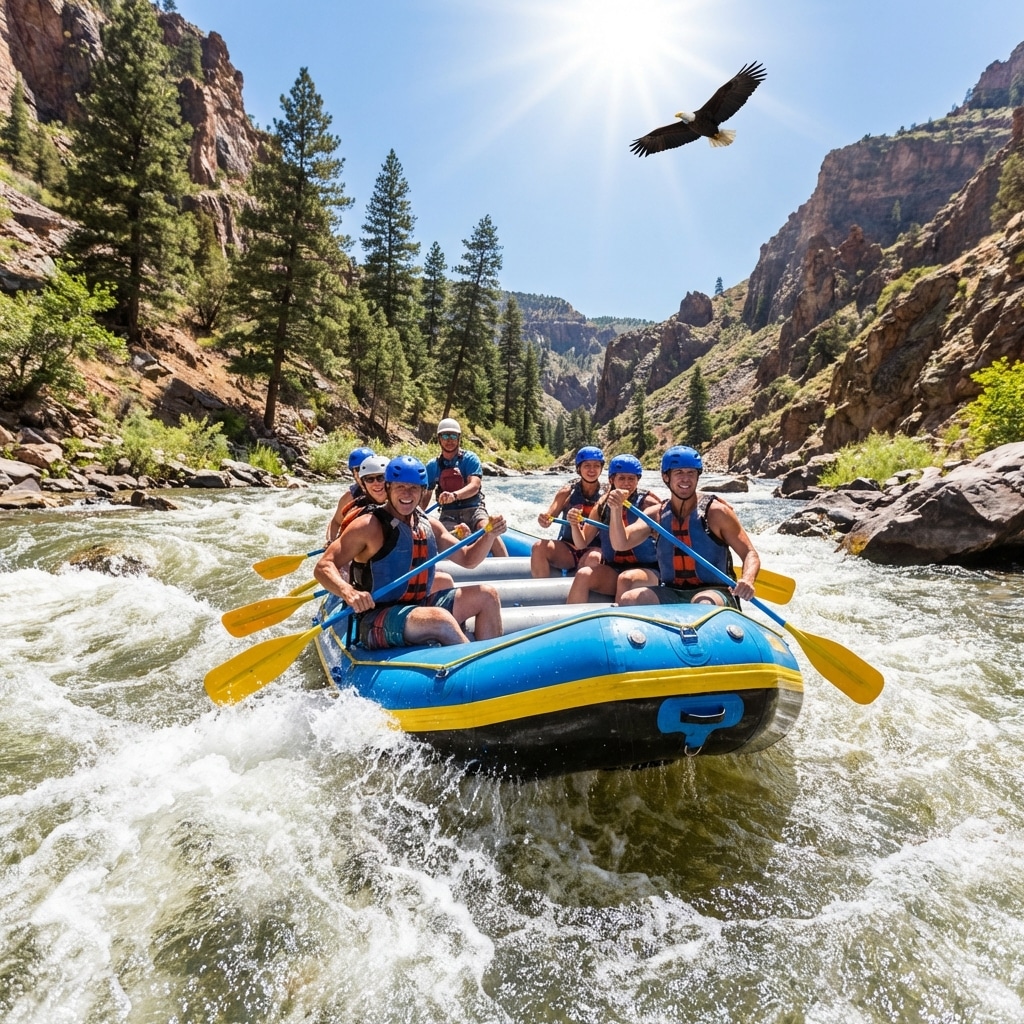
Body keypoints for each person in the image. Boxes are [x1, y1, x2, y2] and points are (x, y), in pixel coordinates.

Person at [314, 455, 507, 649]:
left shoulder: (429, 525)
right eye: (400, 487)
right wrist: (348, 592)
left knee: (487, 595)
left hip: (418, 606)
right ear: (388, 488)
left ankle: (492, 658)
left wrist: (489, 534)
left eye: (414, 488)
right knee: (440, 619)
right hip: (376, 617)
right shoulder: (368, 525)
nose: (407, 494)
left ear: (423, 491)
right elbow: (323, 566)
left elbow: (469, 559)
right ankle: (475, 663)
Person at [608, 445, 759, 607]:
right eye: (679, 473)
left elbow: (749, 553)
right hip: (672, 591)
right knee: (629, 599)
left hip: (715, 592)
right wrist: (616, 509)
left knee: (703, 602)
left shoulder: (716, 512)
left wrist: (747, 579)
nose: (686, 479)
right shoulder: (656, 514)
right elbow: (621, 543)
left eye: (691, 473)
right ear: (666, 477)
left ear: (697, 476)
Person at [563, 454, 662, 603]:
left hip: (649, 571)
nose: (627, 484)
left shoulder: (649, 504)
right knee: (584, 574)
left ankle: (616, 617)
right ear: (611, 480)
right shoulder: (603, 504)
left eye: (631, 479)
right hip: (614, 569)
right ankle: (572, 617)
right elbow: (582, 543)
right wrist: (574, 524)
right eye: (621, 478)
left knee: (625, 579)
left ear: (638, 480)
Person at [422, 417, 508, 556]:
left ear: (459, 438)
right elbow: (426, 494)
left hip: (474, 509)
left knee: (488, 529)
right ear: (439, 439)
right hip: (448, 513)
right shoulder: (433, 466)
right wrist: (417, 516)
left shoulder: (469, 459)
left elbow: (475, 485)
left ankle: (505, 563)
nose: (449, 440)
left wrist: (454, 496)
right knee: (446, 536)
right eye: (445, 436)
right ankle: (462, 544)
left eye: (453, 436)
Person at [530, 445, 605, 578]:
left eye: (596, 466)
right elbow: (549, 518)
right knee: (538, 547)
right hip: (568, 547)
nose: (592, 470)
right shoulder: (567, 492)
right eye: (587, 465)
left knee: (593, 558)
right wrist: (543, 520)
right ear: (579, 468)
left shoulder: (606, 494)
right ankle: (542, 588)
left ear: (601, 468)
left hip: (595, 549)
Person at [326, 445, 376, 542]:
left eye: (369, 468)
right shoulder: (349, 497)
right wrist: (330, 542)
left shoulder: (388, 490)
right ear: (353, 473)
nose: (364, 473)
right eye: (359, 469)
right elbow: (335, 523)